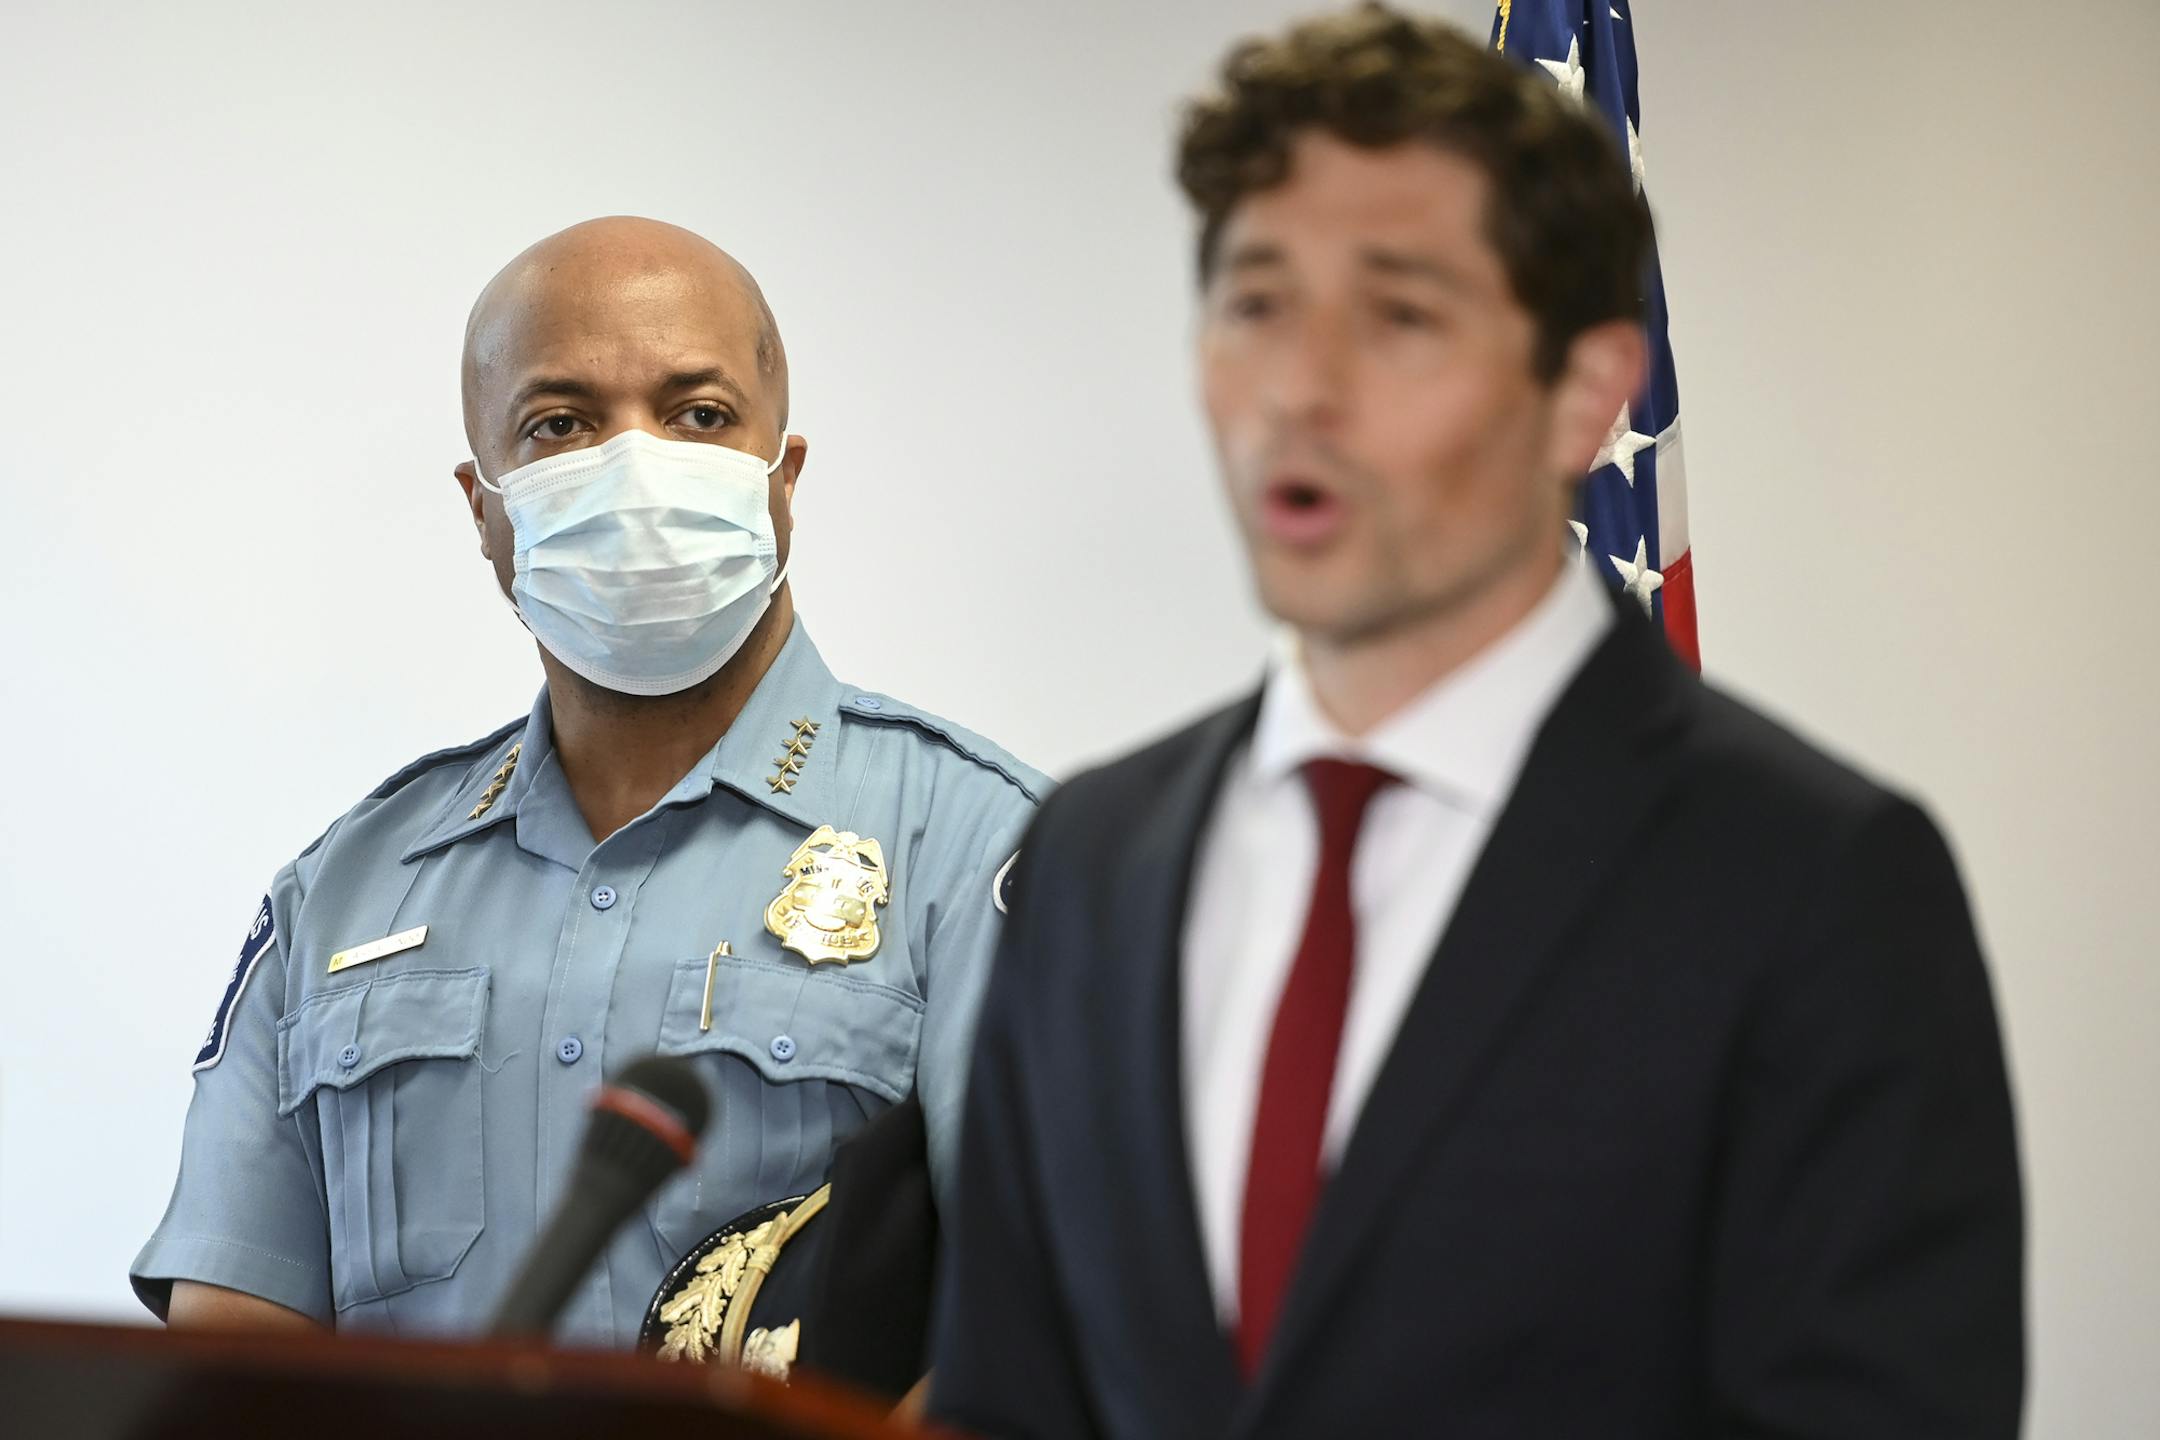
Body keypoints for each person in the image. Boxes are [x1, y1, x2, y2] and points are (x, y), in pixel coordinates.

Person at [928, 8, 2022, 1437]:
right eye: (1256, 303)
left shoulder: (1815, 885)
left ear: (1584, 392)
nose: (1299, 393)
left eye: (1399, 315)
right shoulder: (1091, 855)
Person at [131, 217, 1044, 1344]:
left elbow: (1047, 1324)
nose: (635, 466)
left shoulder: (982, 851)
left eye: (698, 414)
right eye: (560, 425)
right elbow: (234, 1366)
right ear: (485, 508)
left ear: (782, 479)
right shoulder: (343, 894)